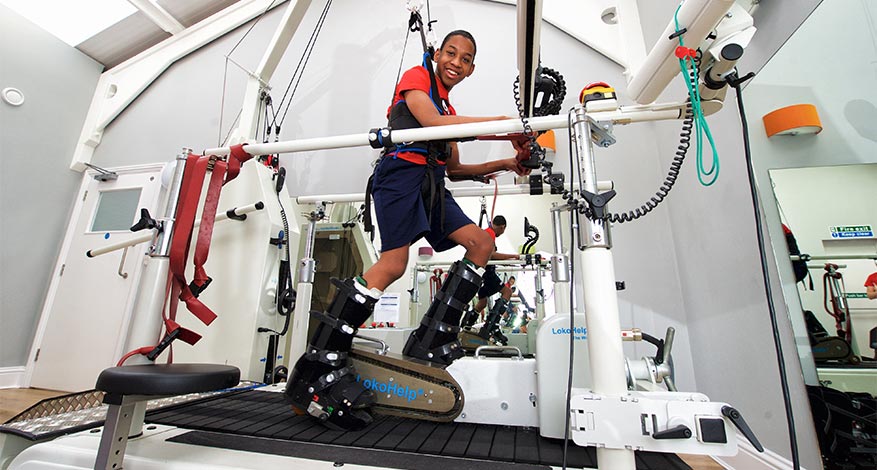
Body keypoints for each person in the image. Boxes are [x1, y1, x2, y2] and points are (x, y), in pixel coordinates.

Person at [285, 30, 529, 431]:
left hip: (433, 182)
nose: (456, 61)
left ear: (471, 69)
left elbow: (454, 169)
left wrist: (505, 163)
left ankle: (429, 342)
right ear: (437, 55)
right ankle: (318, 364)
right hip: (400, 175)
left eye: (466, 59)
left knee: (482, 242)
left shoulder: (450, 105)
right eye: (451, 53)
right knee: (394, 264)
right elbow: (431, 123)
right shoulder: (416, 78)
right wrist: (505, 124)